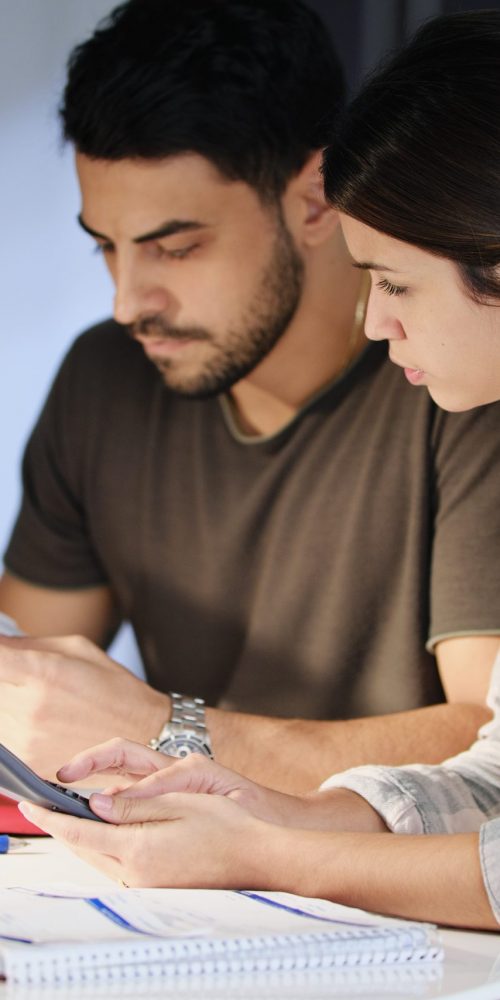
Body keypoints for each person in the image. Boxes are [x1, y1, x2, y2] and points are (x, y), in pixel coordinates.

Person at [21, 10, 500, 930]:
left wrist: (260, 837)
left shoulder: (461, 398)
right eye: (105, 245)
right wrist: (275, 813)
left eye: (176, 244)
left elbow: (473, 738)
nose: (128, 302)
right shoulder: (103, 382)